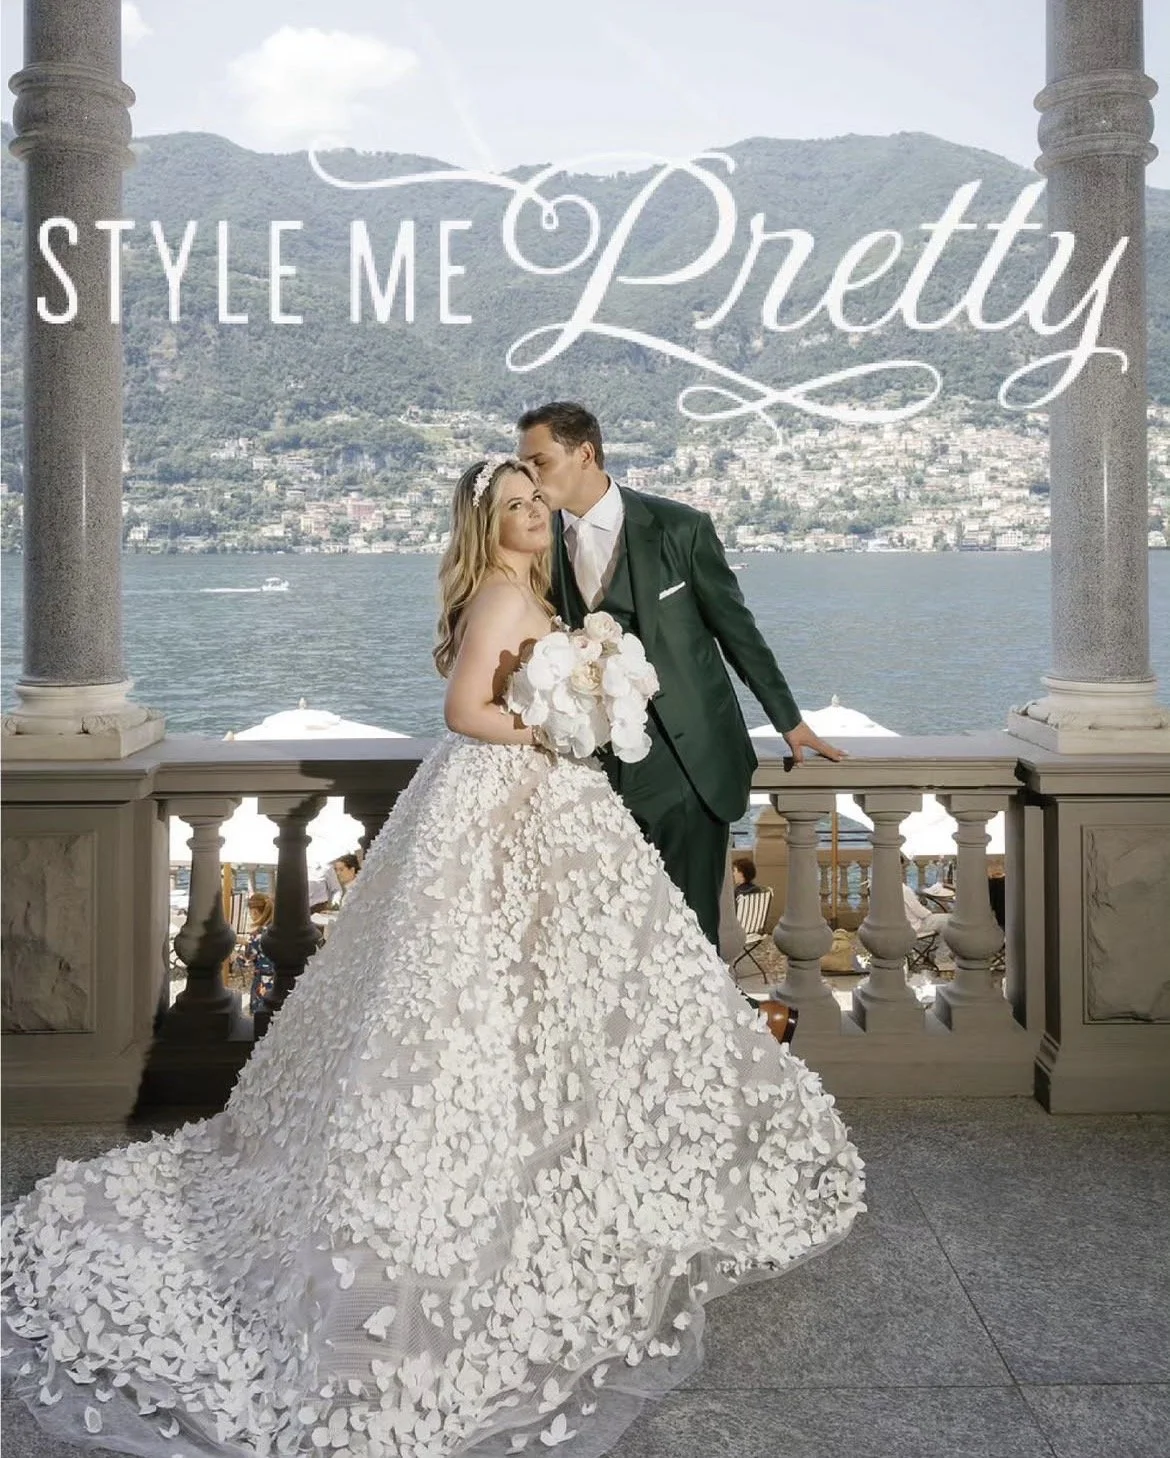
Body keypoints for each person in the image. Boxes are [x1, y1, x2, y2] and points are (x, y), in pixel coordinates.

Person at [1, 456, 864, 1458]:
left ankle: (556, 1149)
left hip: (527, 803)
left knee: (544, 988)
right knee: (485, 991)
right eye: (514, 506)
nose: (534, 513)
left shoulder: (531, 592)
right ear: (485, 525)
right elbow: (465, 712)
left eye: (537, 500)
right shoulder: (504, 595)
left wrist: (581, 705)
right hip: (505, 802)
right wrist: (553, 727)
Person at [518, 401, 845, 948]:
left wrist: (789, 720)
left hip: (689, 761)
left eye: (540, 462)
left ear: (586, 454)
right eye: (524, 466)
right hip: (594, 767)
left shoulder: (680, 527)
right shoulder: (534, 544)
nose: (530, 477)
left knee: (691, 932)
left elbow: (737, 631)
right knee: (607, 931)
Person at [228, 890, 276, 1016]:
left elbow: (246, 962)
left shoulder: (256, 936)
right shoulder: (275, 930)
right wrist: (246, 943)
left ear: (254, 912)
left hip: (262, 983)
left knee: (259, 1018)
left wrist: (232, 953)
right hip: (278, 980)